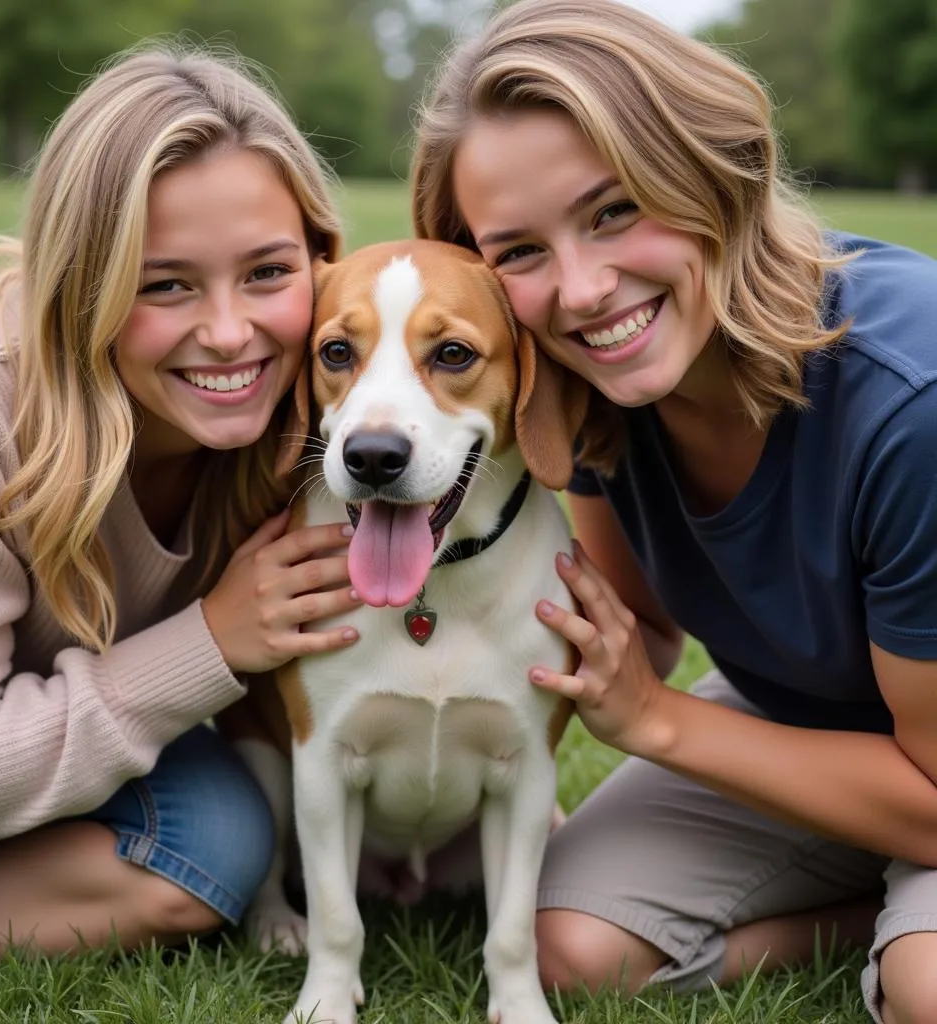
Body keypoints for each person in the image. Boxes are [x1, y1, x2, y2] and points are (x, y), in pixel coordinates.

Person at [411, 2, 937, 1022]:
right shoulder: (593, 382)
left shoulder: (908, 402)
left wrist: (654, 722)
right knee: (565, 943)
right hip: (816, 727)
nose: (583, 289)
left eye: (614, 211)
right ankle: (867, 905)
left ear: (709, 169)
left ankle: (900, 930)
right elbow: (634, 633)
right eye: (518, 252)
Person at [0, 43, 363, 961]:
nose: (232, 333)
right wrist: (210, 642)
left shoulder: (321, 405)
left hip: (19, 722)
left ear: (322, 259)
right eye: (166, 284)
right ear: (84, 285)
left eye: (269, 272)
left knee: (216, 843)